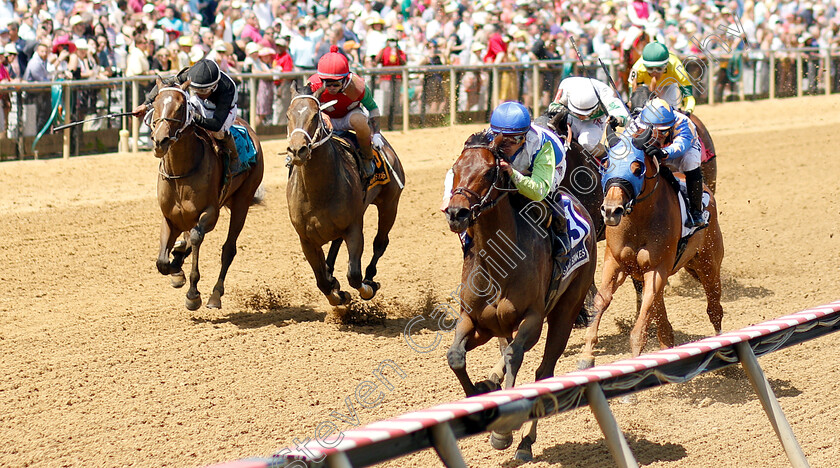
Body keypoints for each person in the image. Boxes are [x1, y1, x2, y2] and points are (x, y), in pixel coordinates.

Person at [442, 101, 571, 258]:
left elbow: (538, 191)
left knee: (547, 194)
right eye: (502, 139)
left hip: (547, 167)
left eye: (515, 139)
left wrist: (513, 173)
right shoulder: (488, 138)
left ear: (525, 136)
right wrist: (448, 197)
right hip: (512, 165)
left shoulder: (542, 146)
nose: (507, 145)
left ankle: (560, 233)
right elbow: (455, 171)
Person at [131, 59, 239, 169]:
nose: (198, 93)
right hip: (199, 103)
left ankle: (234, 156)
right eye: (196, 89)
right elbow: (164, 85)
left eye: (203, 91)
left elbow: (216, 125)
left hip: (225, 110)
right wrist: (145, 105)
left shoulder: (227, 89)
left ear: (213, 86)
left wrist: (192, 115)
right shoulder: (190, 74)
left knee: (219, 133)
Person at [307, 45, 382, 180]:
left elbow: (373, 108)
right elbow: (304, 109)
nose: (331, 88)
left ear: (345, 78)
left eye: (336, 84)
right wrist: (321, 115)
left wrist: (376, 133)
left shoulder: (358, 86)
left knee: (359, 121)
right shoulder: (312, 85)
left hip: (349, 116)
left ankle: (367, 158)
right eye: (327, 84)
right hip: (325, 117)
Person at [632, 98, 706, 228]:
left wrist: (664, 153)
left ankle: (696, 211)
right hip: (659, 149)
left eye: (664, 131)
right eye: (654, 131)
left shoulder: (683, 122)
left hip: (685, 149)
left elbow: (681, 145)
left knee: (690, 162)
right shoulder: (638, 123)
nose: (659, 135)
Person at [546, 76, 629, 158]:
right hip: (571, 116)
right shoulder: (566, 87)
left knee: (586, 142)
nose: (581, 117)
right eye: (578, 113)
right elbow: (554, 106)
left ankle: (608, 156)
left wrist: (617, 119)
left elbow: (618, 109)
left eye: (585, 114)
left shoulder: (604, 92)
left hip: (595, 120)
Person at [629, 42, 696, 115]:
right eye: (650, 69)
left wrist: (688, 111)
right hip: (646, 86)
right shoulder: (638, 68)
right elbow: (632, 96)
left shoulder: (677, 68)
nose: (654, 73)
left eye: (659, 69)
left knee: (669, 113)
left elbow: (688, 97)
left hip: (668, 85)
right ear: (644, 66)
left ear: (666, 65)